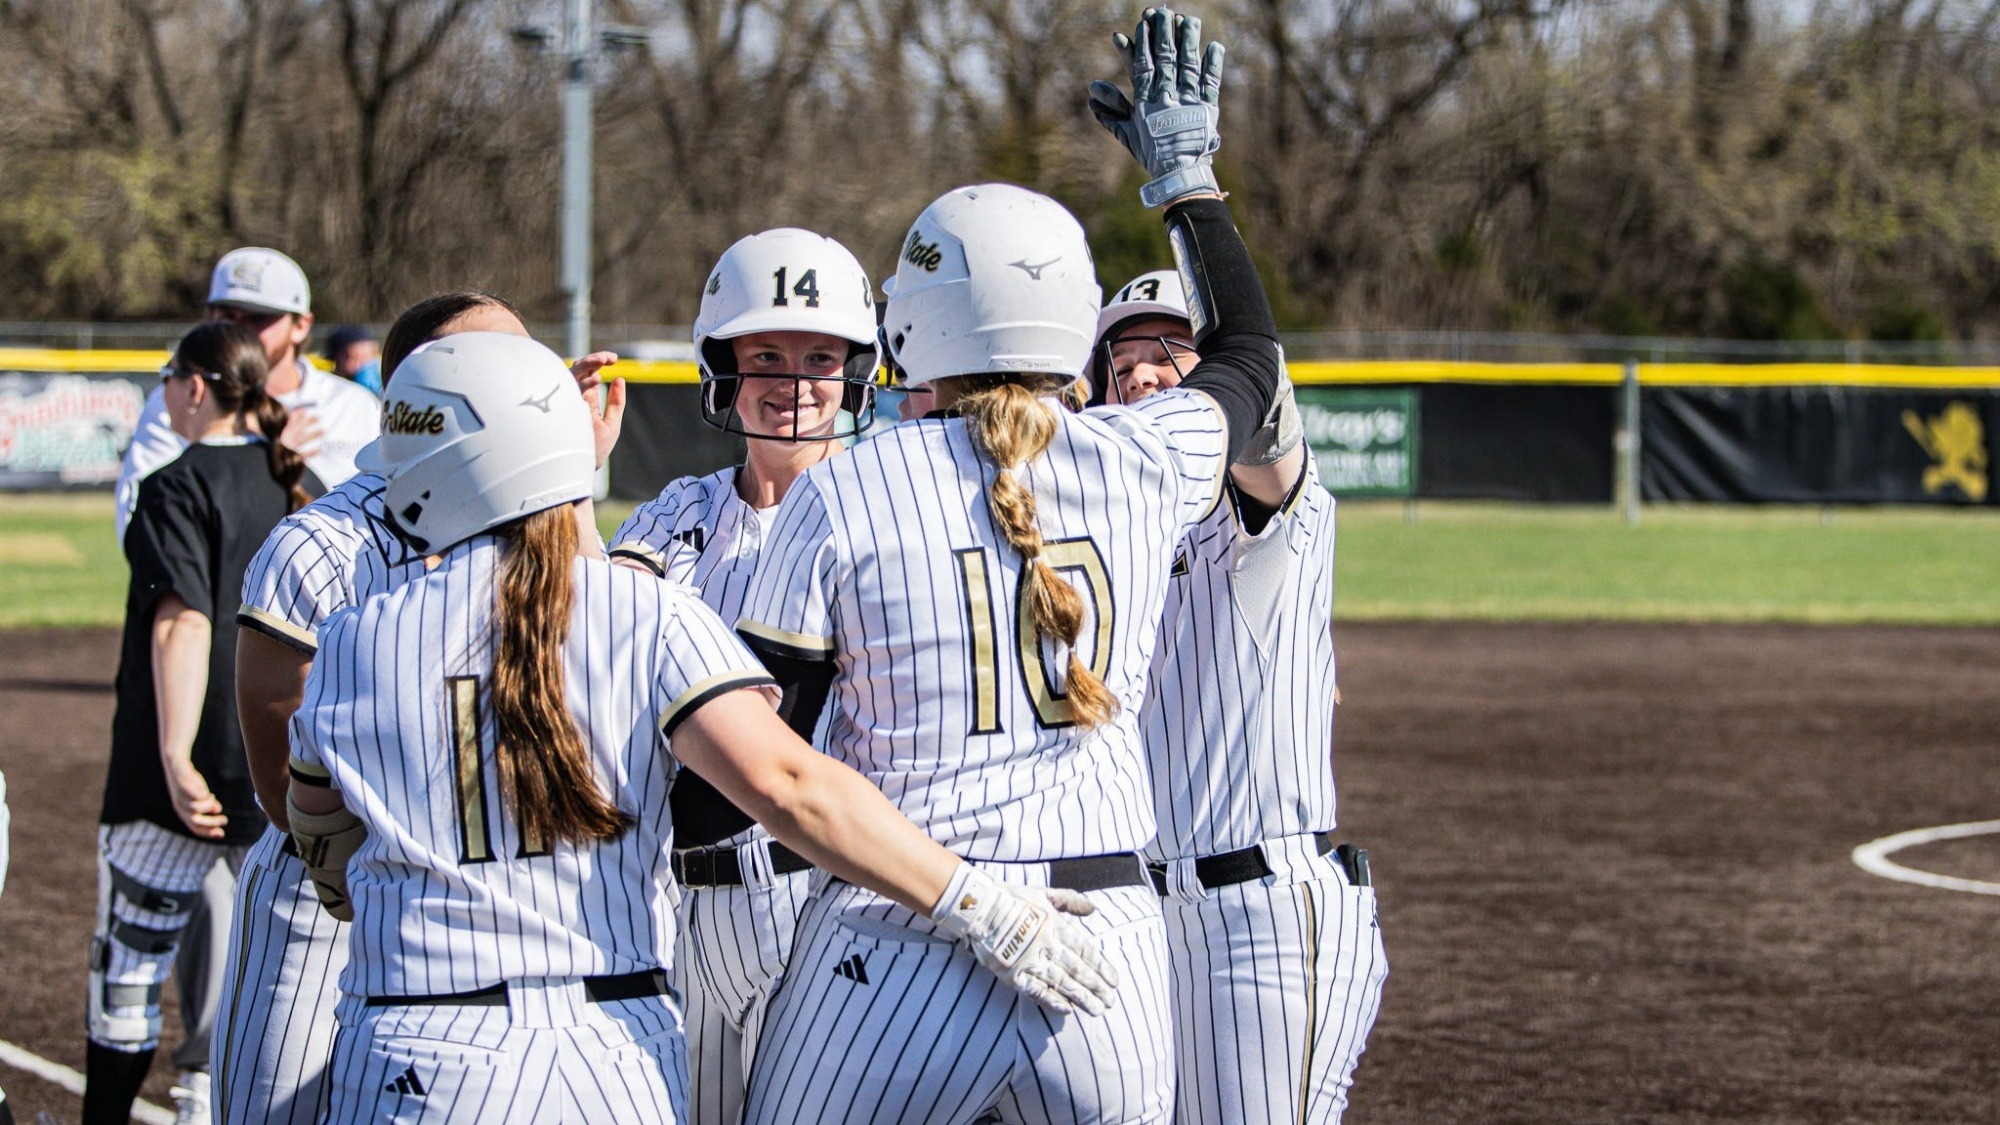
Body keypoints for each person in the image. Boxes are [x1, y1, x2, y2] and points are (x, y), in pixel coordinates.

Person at [284, 333, 1114, 1123]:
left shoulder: (355, 639)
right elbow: (788, 785)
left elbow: (324, 848)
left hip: (418, 1039)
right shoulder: (642, 610)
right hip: (605, 1045)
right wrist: (985, 904)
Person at [734, 26, 1288, 1107]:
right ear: (1074, 319)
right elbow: (1248, 358)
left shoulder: (845, 488)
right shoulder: (1145, 455)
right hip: (1107, 953)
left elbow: (773, 764)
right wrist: (1185, 183)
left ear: (907, 326)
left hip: (897, 937)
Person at [213, 290, 623, 1125]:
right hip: (324, 898)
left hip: (493, 902)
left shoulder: (538, 520)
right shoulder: (320, 543)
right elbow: (277, 780)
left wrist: (571, 482)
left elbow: (607, 656)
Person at [1096, 264, 1389, 1123]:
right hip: (1142, 920)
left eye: (1172, 346)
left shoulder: (1268, 514)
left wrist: (1193, 199)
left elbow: (1264, 436)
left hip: (1257, 917)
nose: (1144, 370)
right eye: (1122, 358)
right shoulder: (1110, 541)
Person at [605, 228, 877, 1124]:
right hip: (682, 896)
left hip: (832, 890)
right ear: (722, 365)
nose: (794, 383)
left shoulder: (889, 508)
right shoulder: (681, 510)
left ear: (855, 371)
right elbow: (601, 620)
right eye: (765, 355)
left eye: (819, 357)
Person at [85, 322, 311, 1125]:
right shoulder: (300, 479)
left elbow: (183, 624)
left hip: (179, 775)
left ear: (193, 386)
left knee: (130, 974)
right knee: (277, 980)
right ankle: (204, 1104)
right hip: (283, 764)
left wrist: (176, 756)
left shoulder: (172, 485)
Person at [115, 248, 380, 543]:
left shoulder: (354, 406)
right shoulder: (179, 399)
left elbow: (378, 525)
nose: (239, 330)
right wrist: (261, 461)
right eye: (227, 316)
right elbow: (138, 525)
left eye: (259, 318)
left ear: (300, 326)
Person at [322, 325, 382, 394]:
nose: (366, 364)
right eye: (357, 357)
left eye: (372, 355)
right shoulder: (325, 392)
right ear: (338, 359)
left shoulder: (383, 392)